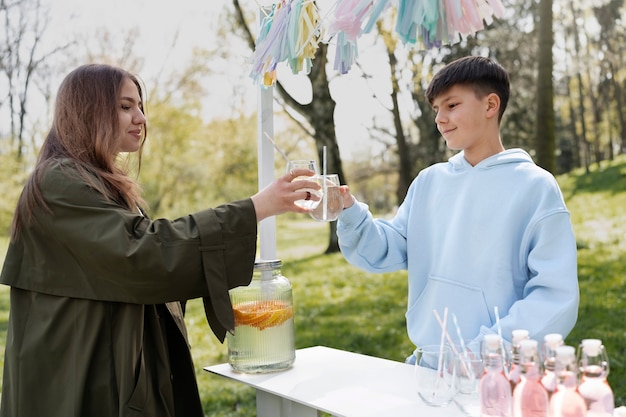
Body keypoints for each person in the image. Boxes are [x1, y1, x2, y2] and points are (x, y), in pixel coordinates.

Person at [0, 63, 320, 416]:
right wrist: (256, 208)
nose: (140, 118)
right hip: (78, 377)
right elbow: (142, 254)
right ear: (87, 111)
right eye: (125, 107)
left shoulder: (94, 181)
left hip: (108, 368)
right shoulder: (59, 182)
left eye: (140, 106)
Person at [336, 56, 579, 363]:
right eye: (436, 109)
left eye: (451, 105)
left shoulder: (535, 187)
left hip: (499, 372)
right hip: (428, 368)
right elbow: (386, 250)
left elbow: (555, 297)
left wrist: (484, 352)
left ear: (490, 106)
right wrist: (349, 211)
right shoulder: (429, 182)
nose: (440, 118)